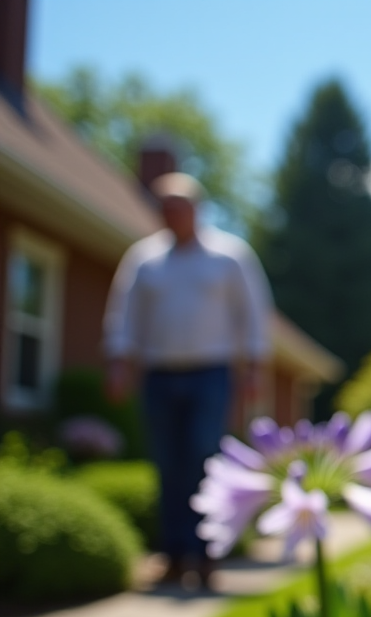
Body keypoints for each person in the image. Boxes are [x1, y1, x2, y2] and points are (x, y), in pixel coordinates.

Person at [104, 173, 273, 587]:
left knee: (203, 460)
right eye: (164, 207)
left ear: (197, 208)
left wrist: (253, 369)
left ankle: (206, 556)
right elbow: (125, 314)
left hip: (210, 373)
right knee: (167, 464)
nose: (171, 214)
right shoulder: (143, 259)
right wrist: (119, 363)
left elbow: (252, 314)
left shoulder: (228, 256)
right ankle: (174, 555)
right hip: (159, 373)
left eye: (179, 206)